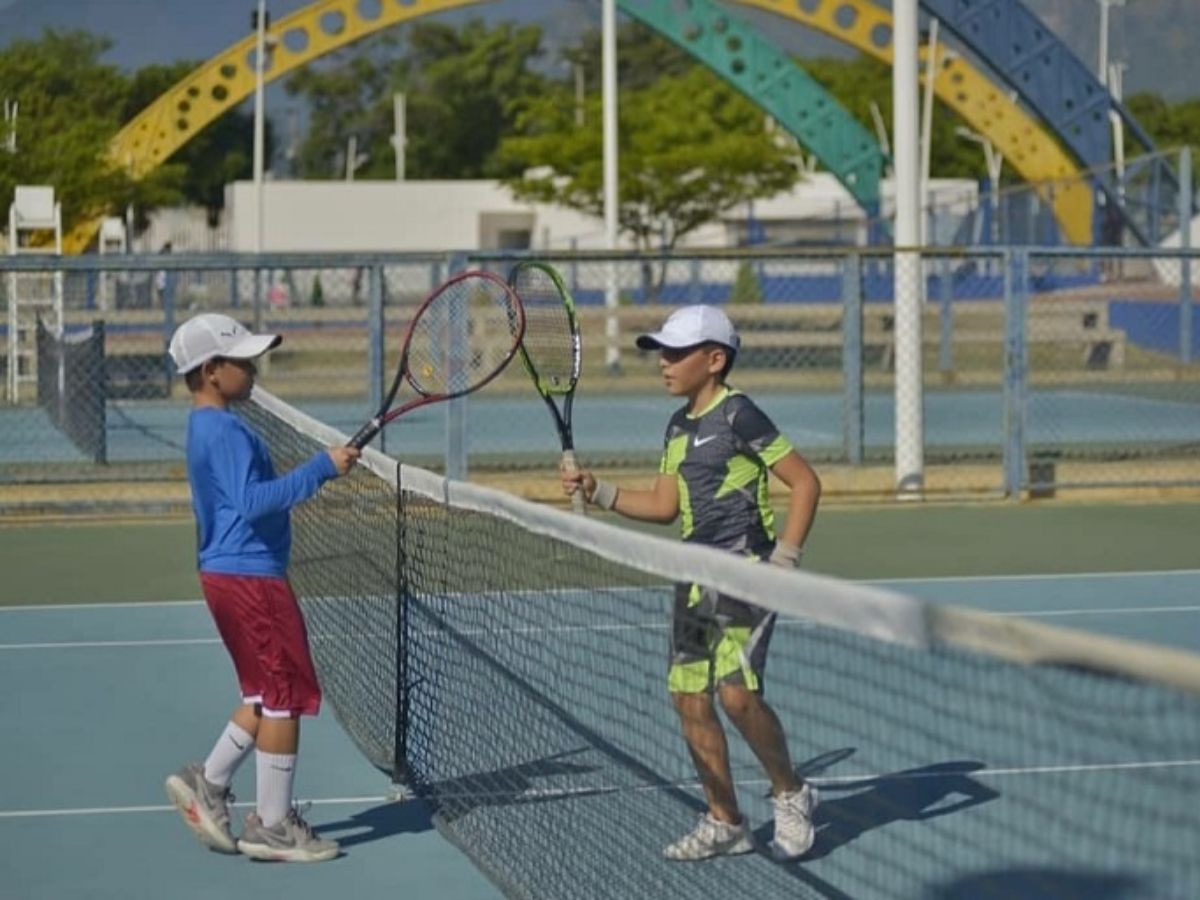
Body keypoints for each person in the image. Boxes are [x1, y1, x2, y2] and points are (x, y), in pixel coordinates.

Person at [563, 305, 822, 862]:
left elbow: (804, 482)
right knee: (688, 697)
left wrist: (785, 563)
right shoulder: (677, 425)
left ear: (715, 359)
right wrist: (599, 488)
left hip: (745, 574)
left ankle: (791, 793)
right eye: (662, 351)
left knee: (737, 695)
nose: (664, 362)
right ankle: (725, 820)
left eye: (677, 352)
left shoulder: (740, 415)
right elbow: (664, 505)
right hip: (693, 579)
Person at [163, 313, 360, 862]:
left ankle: (210, 780)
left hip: (229, 574)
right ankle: (271, 827)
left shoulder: (209, 425)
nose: (253, 371)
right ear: (211, 371)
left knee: (260, 692)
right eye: (243, 362)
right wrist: (322, 468)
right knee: (284, 696)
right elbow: (252, 503)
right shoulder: (221, 429)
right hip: (249, 577)